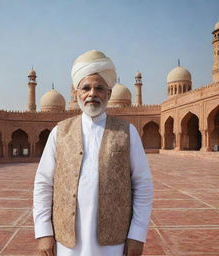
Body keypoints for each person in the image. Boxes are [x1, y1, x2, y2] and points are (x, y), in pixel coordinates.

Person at [33, 50, 153, 256]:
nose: (92, 94)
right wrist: (43, 232)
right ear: (76, 93)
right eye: (86, 88)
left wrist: (137, 234)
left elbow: (142, 185)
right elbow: (44, 183)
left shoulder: (127, 132)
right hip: (67, 241)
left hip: (113, 242)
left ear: (109, 93)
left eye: (99, 88)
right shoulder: (60, 132)